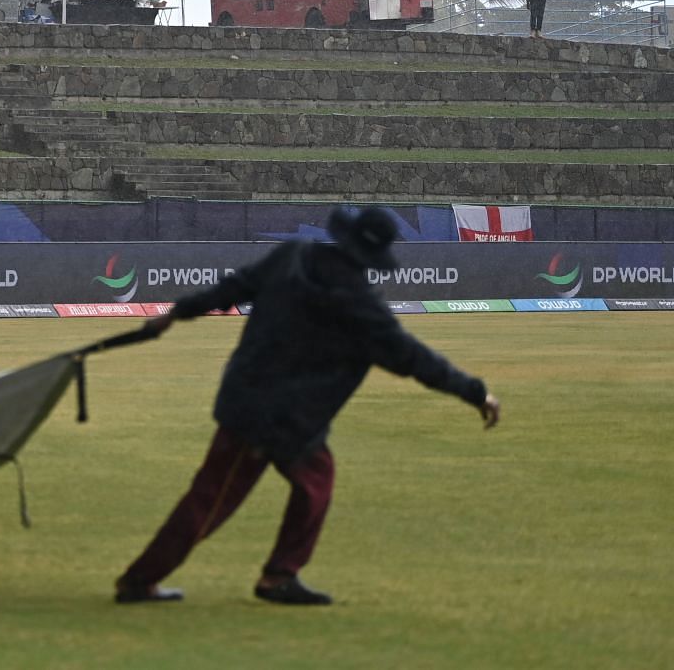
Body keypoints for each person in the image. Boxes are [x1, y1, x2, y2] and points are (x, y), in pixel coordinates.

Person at [115, 206, 502, 607]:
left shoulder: (293, 257)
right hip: (273, 419)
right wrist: (476, 392)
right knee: (214, 499)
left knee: (307, 480)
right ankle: (142, 581)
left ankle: (279, 575)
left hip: (259, 404)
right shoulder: (364, 310)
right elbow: (417, 361)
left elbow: (233, 287)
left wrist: (177, 312)